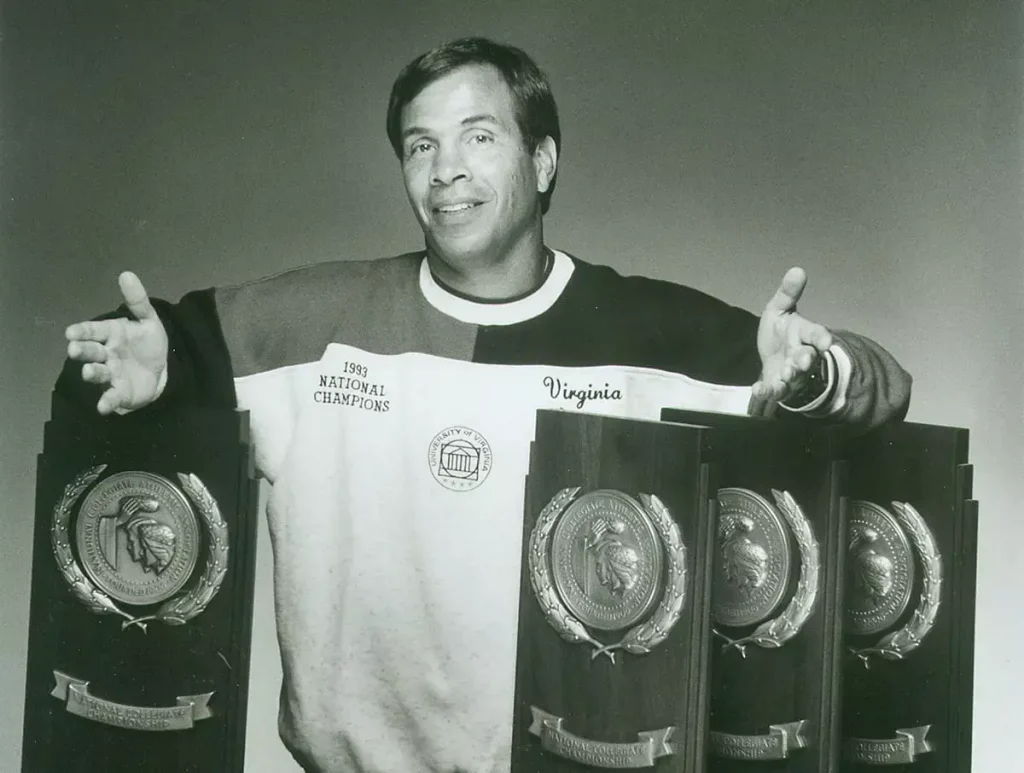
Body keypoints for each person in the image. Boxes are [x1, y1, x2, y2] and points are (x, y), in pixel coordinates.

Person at [59, 37, 911, 773]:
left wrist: (816, 374)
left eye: (478, 136)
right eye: (419, 146)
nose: (446, 171)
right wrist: (145, 372)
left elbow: (881, 392)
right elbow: (128, 357)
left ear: (541, 162)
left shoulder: (656, 334)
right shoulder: (306, 323)